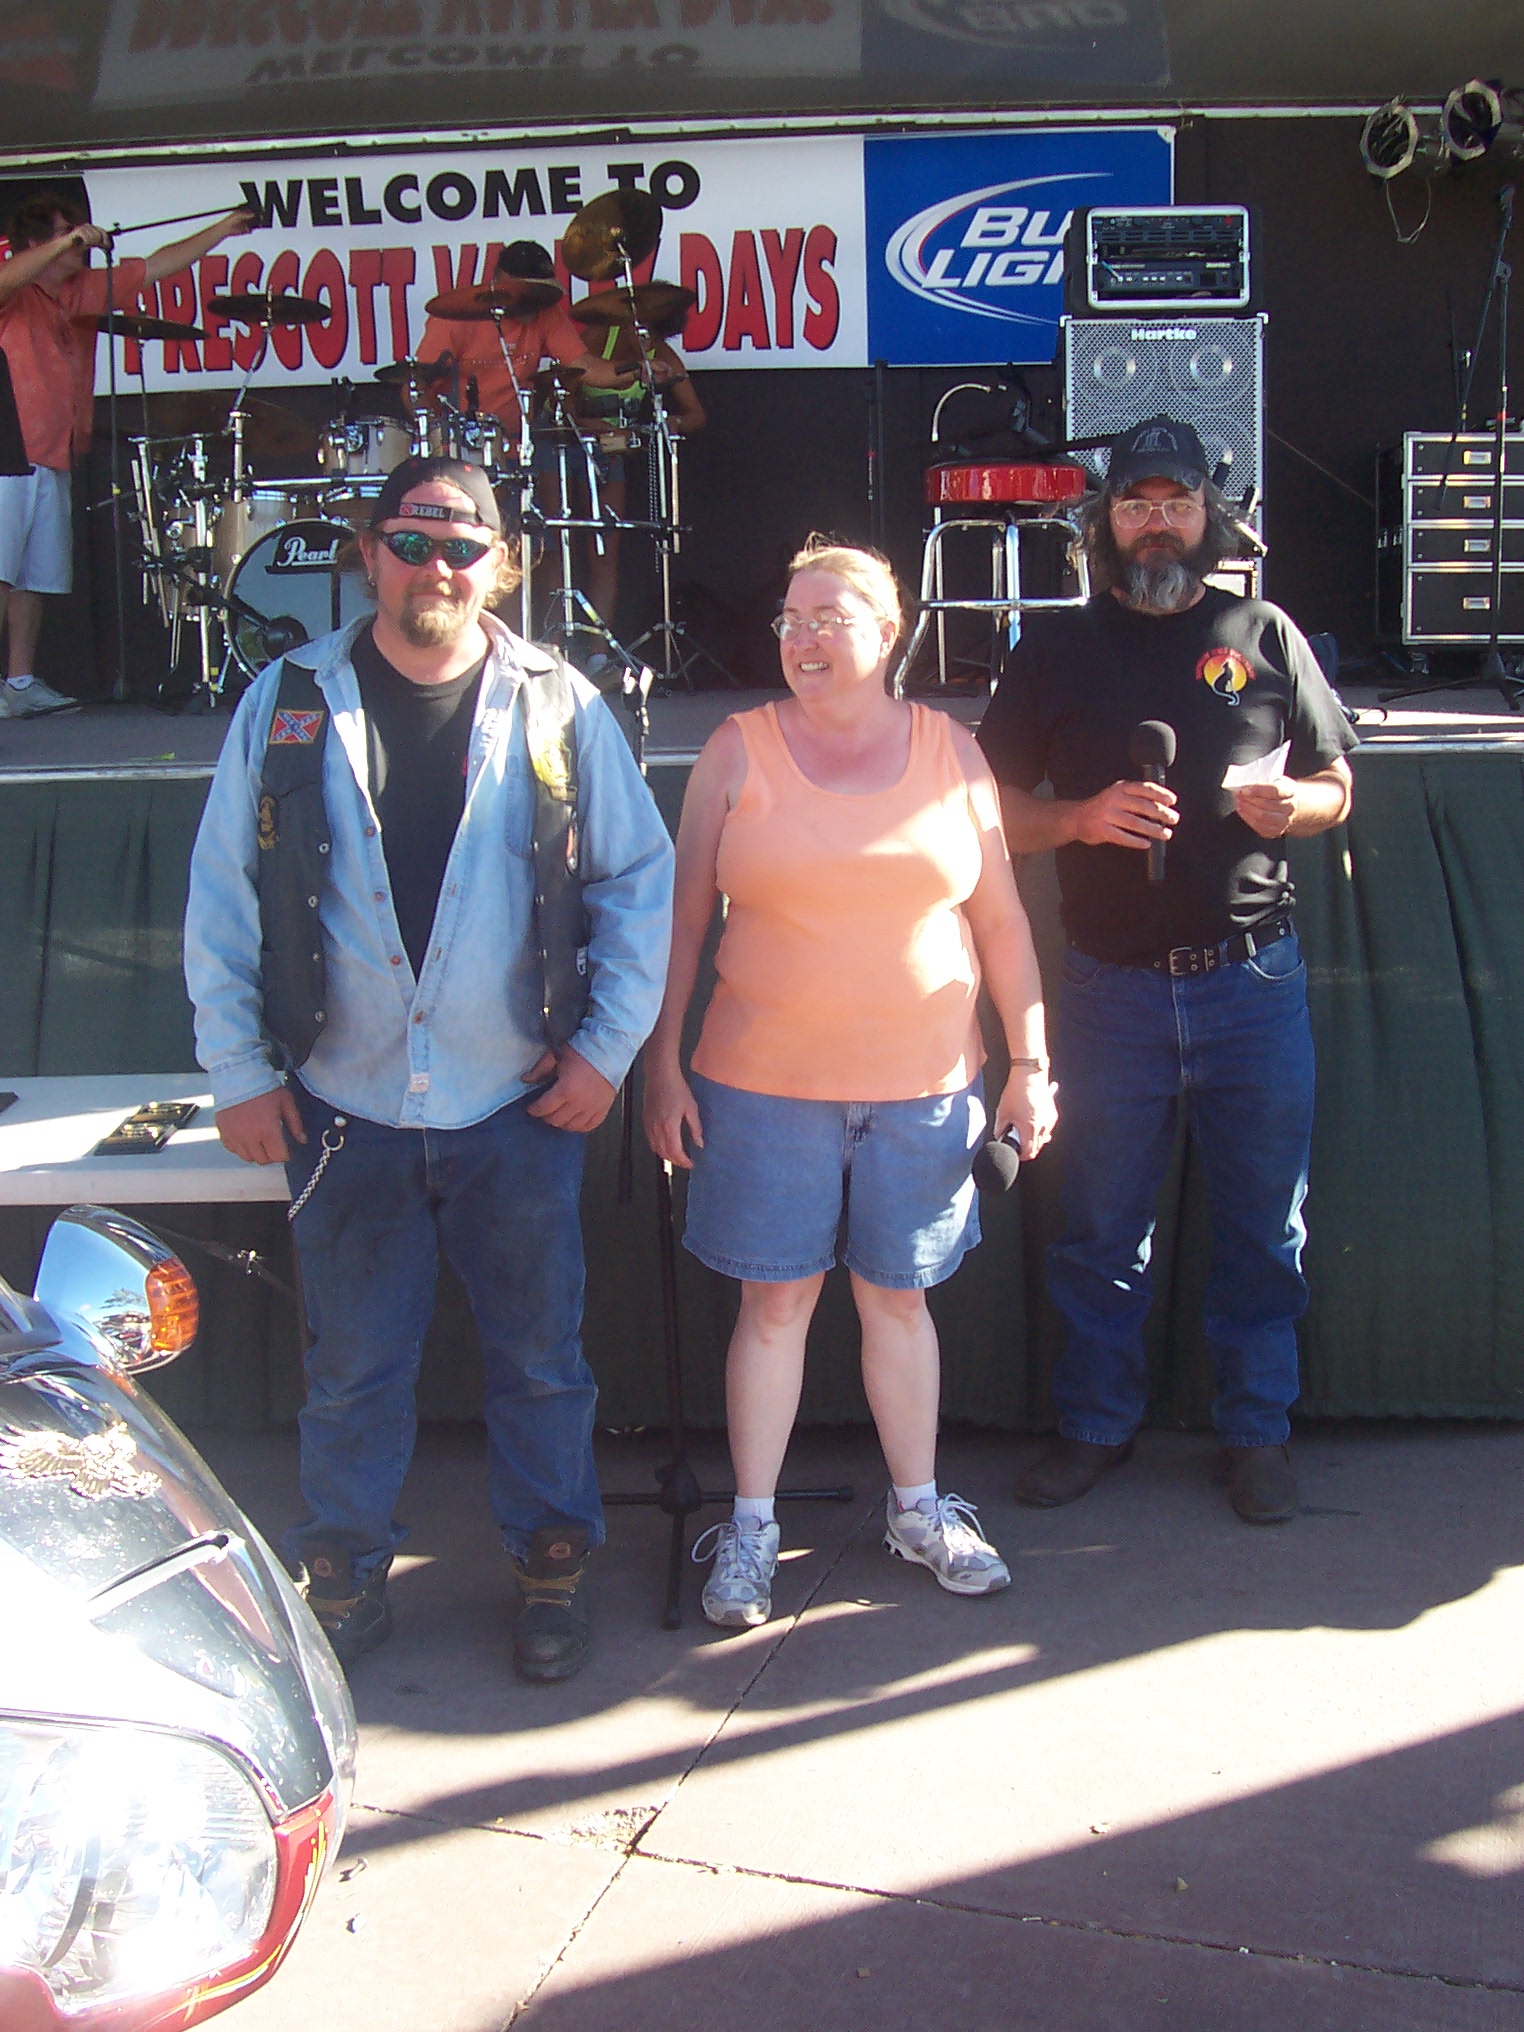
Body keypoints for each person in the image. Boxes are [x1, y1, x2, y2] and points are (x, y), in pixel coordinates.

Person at [184, 455, 674, 1680]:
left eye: (462, 548)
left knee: (542, 1364)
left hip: (516, 1102)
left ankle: (552, 1569)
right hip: (340, 1104)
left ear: (502, 565)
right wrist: (239, 1068)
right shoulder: (288, 699)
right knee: (351, 1371)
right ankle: (343, 1575)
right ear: (369, 554)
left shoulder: (559, 703)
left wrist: (606, 1053)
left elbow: (637, 881)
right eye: (411, 543)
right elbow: (222, 895)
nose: (435, 569)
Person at [644, 537, 1056, 1630]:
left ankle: (918, 1511)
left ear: (889, 631)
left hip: (926, 1090)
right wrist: (659, 1064)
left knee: (899, 1301)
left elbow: (1003, 923)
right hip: (759, 1089)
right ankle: (752, 1528)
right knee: (774, 1305)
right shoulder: (734, 750)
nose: (804, 637)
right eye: (791, 619)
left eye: (829, 616)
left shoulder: (952, 752)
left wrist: (1031, 1062)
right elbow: (679, 928)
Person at [977, 414, 1358, 1525]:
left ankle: (1258, 1432)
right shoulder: (1052, 648)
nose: (1157, 524)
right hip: (1111, 991)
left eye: (1177, 504)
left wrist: (1296, 806)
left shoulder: (1263, 631)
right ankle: (1096, 1427)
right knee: (1100, 1227)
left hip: (1252, 982)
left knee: (1263, 1225)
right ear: (1105, 523)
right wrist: (1078, 817)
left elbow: (1339, 785)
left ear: (1209, 517)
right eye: (1137, 505)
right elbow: (986, 811)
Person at [0, 189, 252, 716]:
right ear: (36, 243)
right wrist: (65, 241)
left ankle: (18, 683)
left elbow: (157, 265)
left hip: (54, 453)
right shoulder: (16, 288)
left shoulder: (80, 290)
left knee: (31, 579)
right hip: (8, 450)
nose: (79, 246)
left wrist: (223, 228)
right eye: (67, 235)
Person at [415, 239, 649, 437]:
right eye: (529, 292)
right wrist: (438, 440)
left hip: (518, 443)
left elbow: (586, 367)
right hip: (459, 446)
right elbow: (416, 386)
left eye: (541, 293)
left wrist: (640, 370)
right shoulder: (455, 318)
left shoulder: (545, 312)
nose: (536, 301)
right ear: (501, 282)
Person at [570, 315, 705, 625]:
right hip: (564, 445)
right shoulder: (597, 337)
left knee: (604, 553)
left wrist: (671, 422)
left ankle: (599, 648)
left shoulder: (662, 356)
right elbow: (560, 405)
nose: (646, 342)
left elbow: (697, 414)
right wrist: (597, 427)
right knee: (553, 548)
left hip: (610, 452)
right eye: (641, 332)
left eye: (653, 337)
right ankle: (546, 642)